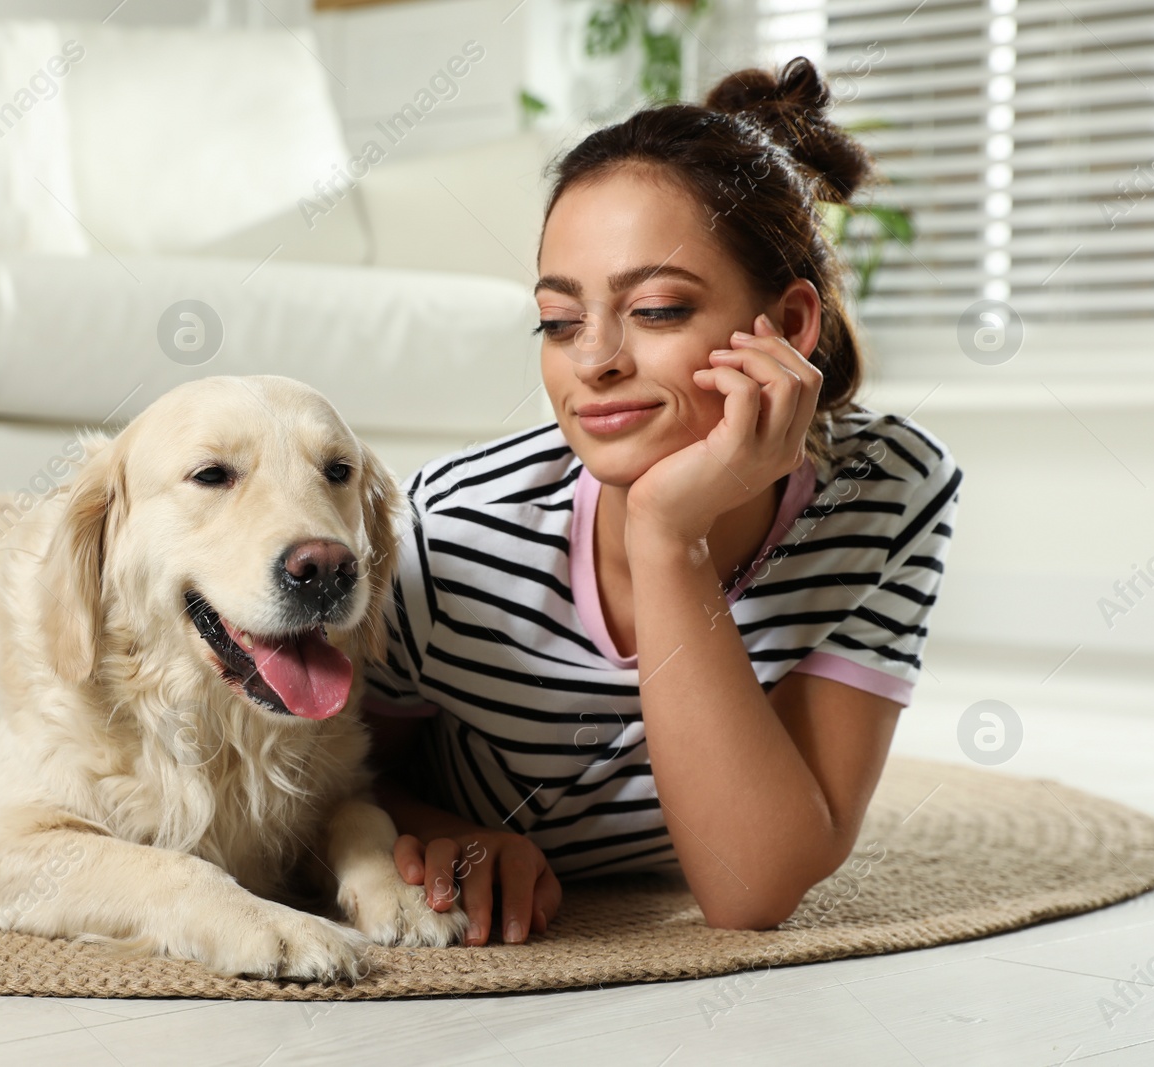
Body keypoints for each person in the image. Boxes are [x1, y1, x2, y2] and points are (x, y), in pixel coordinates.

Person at [363, 56, 964, 947]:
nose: (593, 360)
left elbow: (748, 887)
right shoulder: (449, 533)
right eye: (560, 321)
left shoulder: (885, 490)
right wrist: (442, 829)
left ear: (791, 326)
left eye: (655, 309)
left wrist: (667, 533)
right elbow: (330, 779)